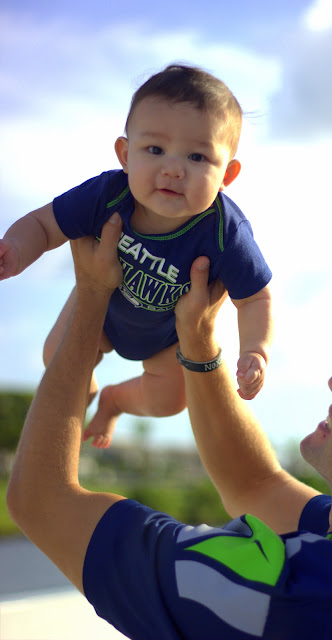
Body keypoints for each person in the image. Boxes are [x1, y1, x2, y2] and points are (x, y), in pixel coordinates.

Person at [7, 215, 332, 639]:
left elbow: (41, 501)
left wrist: (91, 297)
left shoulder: (279, 594)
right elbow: (255, 486)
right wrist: (197, 339)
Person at [0, 64, 273, 448]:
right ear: (125, 155)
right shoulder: (107, 195)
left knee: (170, 400)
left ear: (227, 175)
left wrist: (256, 350)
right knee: (55, 356)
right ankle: (88, 387)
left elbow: (255, 298)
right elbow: (44, 225)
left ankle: (116, 401)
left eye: (197, 157)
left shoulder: (224, 231)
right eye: (156, 150)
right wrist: (14, 249)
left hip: (167, 337)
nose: (173, 169)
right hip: (100, 311)